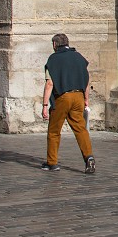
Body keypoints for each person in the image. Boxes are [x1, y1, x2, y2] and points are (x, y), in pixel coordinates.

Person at [41, 34, 95, 174]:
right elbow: (87, 81)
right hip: (78, 96)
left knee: (54, 131)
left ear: (54, 45)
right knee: (80, 129)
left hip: (62, 97)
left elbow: (49, 83)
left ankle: (52, 162)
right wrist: (86, 99)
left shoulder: (54, 59)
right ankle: (89, 157)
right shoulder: (78, 57)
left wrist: (45, 105)